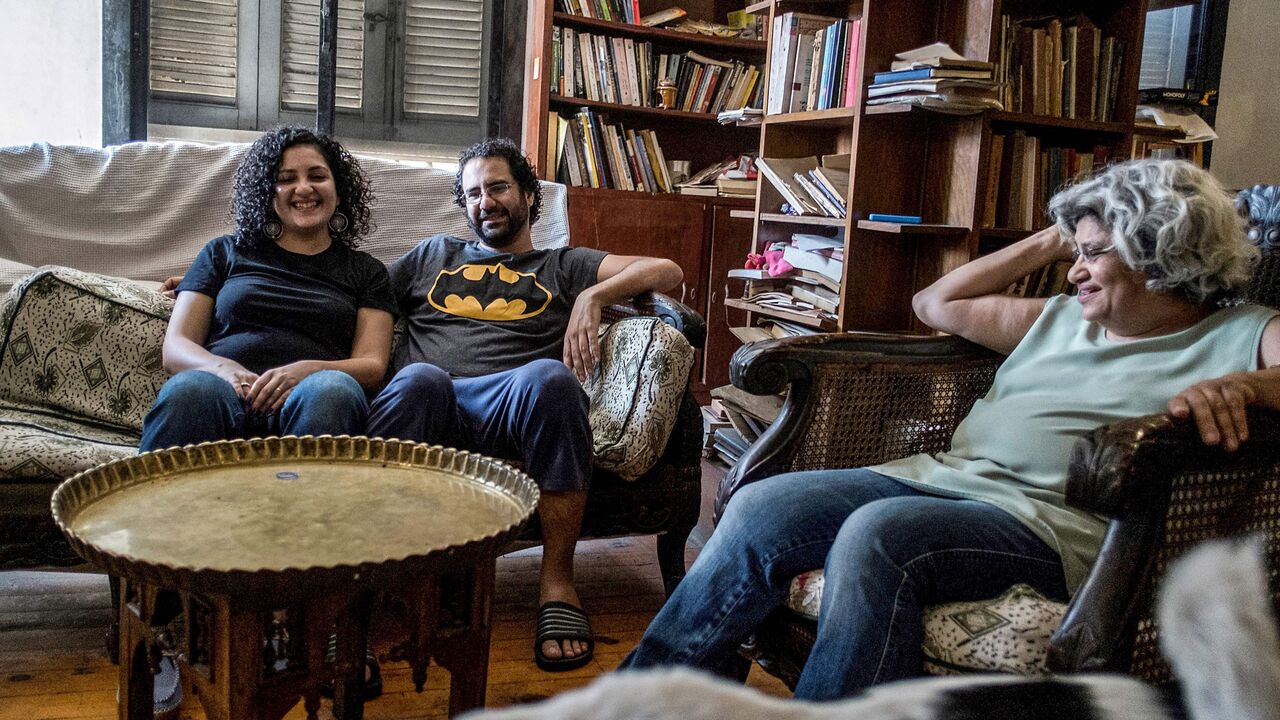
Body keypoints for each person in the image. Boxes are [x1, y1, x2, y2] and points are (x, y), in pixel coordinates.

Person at [619, 158, 1280, 699]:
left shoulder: (1243, 332)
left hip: (1055, 528)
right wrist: (1057, 235)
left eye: (1094, 253)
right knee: (764, 504)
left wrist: (1249, 386)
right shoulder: (1060, 316)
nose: (1075, 270)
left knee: (881, 536)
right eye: (1074, 253)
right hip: (944, 480)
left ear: (1160, 252)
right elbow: (935, 302)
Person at [366, 138, 683, 672]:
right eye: (472, 193)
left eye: (497, 188)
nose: (484, 202)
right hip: (428, 400)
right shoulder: (432, 256)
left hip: (511, 403)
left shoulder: (563, 264)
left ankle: (557, 583)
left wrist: (593, 295)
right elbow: (359, 296)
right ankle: (378, 580)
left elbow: (667, 270)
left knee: (551, 378)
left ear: (530, 196)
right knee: (420, 378)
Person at [141, 125, 394, 452]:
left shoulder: (367, 272)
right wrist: (223, 369)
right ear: (266, 192)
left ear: (339, 189)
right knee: (190, 389)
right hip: (223, 393)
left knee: (333, 390)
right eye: (286, 179)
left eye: (317, 176)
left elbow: (372, 366)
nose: (304, 188)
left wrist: (309, 370)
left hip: (311, 400)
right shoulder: (223, 253)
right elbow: (176, 347)